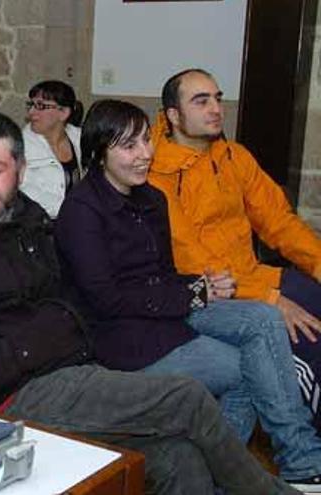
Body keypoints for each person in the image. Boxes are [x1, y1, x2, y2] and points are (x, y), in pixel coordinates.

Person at [0, 109, 301, 494]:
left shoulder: (26, 220)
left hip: (71, 365)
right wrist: (29, 348)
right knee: (186, 397)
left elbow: (80, 296)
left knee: (181, 458)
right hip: (14, 394)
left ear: (19, 170)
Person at [56, 99, 321, 492]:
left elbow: (163, 273)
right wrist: (193, 294)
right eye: (129, 146)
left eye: (146, 140)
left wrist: (202, 286)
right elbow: (105, 299)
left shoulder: (151, 198)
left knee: (264, 320)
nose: (145, 154)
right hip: (123, 335)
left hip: (167, 309)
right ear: (98, 153)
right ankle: (232, 473)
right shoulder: (81, 210)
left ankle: (298, 462)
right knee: (251, 366)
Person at [149, 68, 321, 431]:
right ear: (174, 116)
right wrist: (270, 299)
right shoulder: (156, 174)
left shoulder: (233, 157)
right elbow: (189, 256)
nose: (216, 108)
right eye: (201, 101)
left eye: (217, 97)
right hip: (213, 293)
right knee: (308, 341)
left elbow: (279, 222)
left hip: (255, 276)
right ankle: (303, 454)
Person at [18, 80, 85, 218]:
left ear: (64, 113)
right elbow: (25, 192)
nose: (31, 112)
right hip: (42, 227)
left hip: (78, 220)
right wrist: (76, 211)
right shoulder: (19, 145)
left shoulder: (81, 138)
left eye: (40, 106)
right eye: (31, 105)